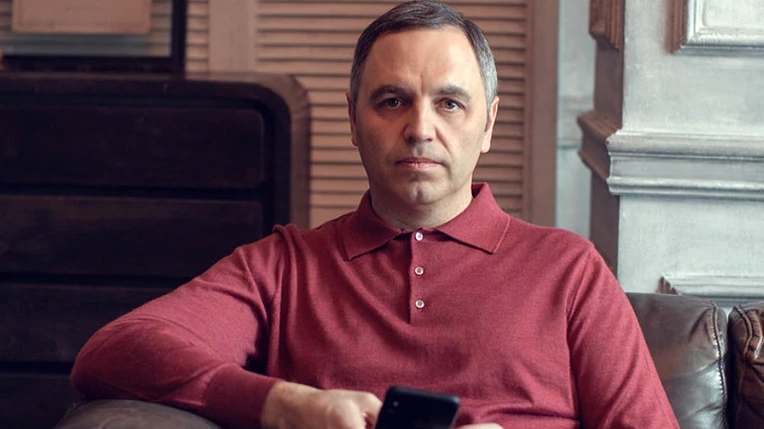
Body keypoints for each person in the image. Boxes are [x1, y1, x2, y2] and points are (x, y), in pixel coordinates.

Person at [71, 1, 680, 429]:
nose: (420, 129)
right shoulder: (284, 267)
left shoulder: (568, 268)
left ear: (489, 124)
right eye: (392, 101)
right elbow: (115, 350)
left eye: (450, 103)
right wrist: (290, 405)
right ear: (354, 120)